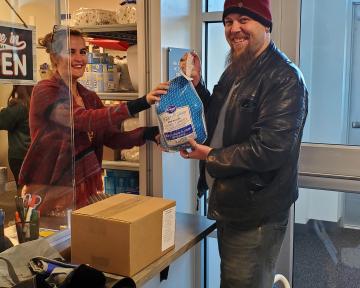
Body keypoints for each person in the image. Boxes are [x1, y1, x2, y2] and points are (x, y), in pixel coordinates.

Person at [179, 0, 308, 287]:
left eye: (244, 20)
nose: (234, 28)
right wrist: (197, 85)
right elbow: (218, 119)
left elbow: (270, 148)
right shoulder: (237, 69)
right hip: (231, 203)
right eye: (228, 21)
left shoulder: (284, 77)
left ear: (266, 24)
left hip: (256, 214)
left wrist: (210, 155)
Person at [18, 27, 167, 214]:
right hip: (47, 193)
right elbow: (82, 120)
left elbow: (112, 138)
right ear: (55, 57)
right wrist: (141, 102)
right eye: (70, 52)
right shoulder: (46, 90)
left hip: (80, 194)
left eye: (82, 52)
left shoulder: (89, 97)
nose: (79, 58)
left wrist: (149, 133)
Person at [0, 85, 33, 189]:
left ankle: (25, 205)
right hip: (35, 153)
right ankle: (34, 204)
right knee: (32, 188)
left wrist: (3, 111)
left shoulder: (19, 107)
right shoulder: (35, 104)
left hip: (20, 156)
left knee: (23, 189)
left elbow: (3, 122)